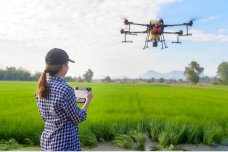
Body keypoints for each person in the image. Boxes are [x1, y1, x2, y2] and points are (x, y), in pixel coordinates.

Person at [35, 48, 93, 151]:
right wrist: (87, 101)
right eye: (67, 64)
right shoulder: (66, 89)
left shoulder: (40, 88)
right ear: (63, 66)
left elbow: (46, 117)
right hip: (65, 144)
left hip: (47, 142)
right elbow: (77, 118)